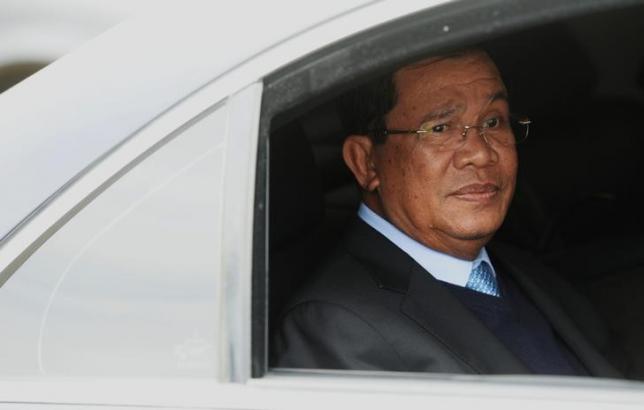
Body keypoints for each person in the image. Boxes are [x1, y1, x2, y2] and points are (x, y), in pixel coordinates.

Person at [270, 50, 620, 376]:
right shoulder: (335, 327)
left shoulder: (517, 271)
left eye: (494, 121)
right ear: (366, 162)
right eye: (440, 128)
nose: (481, 154)